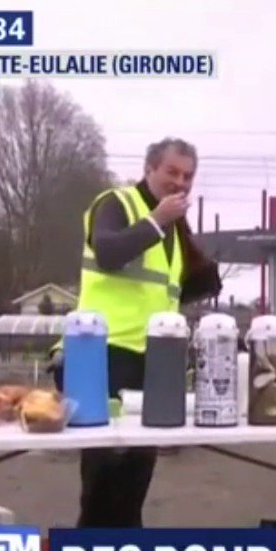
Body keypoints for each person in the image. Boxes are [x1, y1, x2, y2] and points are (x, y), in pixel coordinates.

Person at [51, 137, 222, 528]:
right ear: (149, 170)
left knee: (135, 480)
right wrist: (157, 220)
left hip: (153, 360)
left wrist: (204, 269)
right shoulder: (115, 203)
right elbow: (109, 252)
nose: (180, 183)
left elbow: (170, 287)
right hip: (101, 355)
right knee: (102, 480)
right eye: (172, 173)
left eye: (188, 176)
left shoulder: (174, 227)